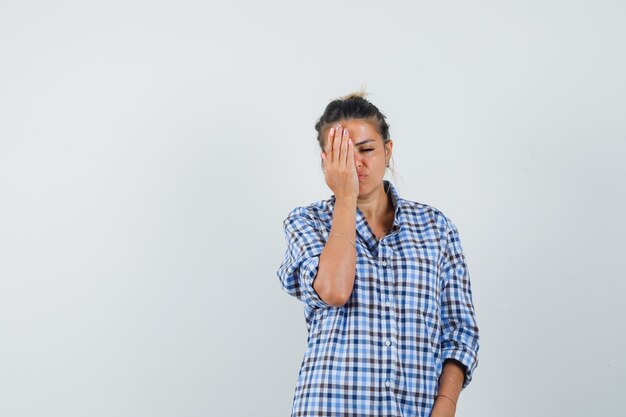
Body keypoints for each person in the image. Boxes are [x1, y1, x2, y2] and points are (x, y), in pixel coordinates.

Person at [277, 92, 479, 417]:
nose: (356, 163)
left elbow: (460, 331)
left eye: (366, 149)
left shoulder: (436, 228)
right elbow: (334, 291)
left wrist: (446, 405)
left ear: (387, 150)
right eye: (342, 154)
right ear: (326, 161)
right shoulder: (307, 223)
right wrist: (345, 196)